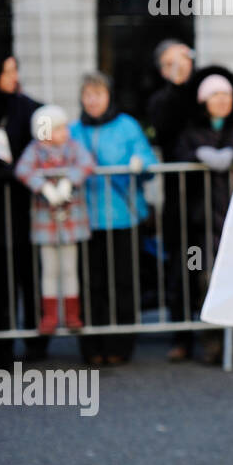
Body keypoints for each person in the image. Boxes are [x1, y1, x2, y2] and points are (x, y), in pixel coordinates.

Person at [70, 72, 159, 364]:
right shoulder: (73, 131)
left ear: (109, 96)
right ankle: (93, 346)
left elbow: (147, 160)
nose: (93, 100)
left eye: (98, 94)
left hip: (123, 217)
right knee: (91, 282)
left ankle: (121, 345)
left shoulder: (127, 126)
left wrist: (140, 163)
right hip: (86, 218)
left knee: (123, 281)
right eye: (88, 95)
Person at [173, 67, 233, 363]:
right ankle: (212, 343)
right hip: (202, 221)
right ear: (204, 100)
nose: (222, 100)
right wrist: (199, 156)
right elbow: (180, 156)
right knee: (205, 280)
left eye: (227, 95)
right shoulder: (191, 130)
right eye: (216, 95)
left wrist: (232, 155)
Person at [15, 106, 94, 340]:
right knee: (49, 270)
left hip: (71, 221)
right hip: (45, 222)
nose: (65, 131)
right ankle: (49, 316)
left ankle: (72, 314)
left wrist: (69, 181)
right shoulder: (35, 150)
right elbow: (23, 169)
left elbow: (87, 163)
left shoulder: (73, 148)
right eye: (59, 128)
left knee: (69, 269)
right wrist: (45, 186)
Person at [145, 39, 200, 358]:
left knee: (210, 261)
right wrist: (177, 87)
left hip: (211, 195)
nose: (182, 66)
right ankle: (182, 335)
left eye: (185, 59)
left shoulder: (206, 88)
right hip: (179, 196)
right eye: (173, 62)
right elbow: (164, 129)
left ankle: (218, 331)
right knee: (181, 265)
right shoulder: (160, 100)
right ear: (164, 69)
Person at [0, 53, 42, 364]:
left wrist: (19, 169)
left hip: (25, 204)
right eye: (7, 71)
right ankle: (2, 344)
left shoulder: (29, 107)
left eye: (16, 70)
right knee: (1, 277)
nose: (14, 76)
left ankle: (36, 341)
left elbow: (46, 143)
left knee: (29, 271)